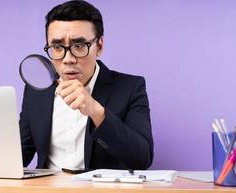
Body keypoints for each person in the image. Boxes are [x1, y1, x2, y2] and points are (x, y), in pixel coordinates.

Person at [19, 0, 153, 170]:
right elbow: (21, 153)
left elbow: (142, 159)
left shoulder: (130, 88)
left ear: (100, 46)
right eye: (58, 47)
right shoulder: (36, 91)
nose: (68, 59)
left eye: (79, 45)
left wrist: (97, 112)